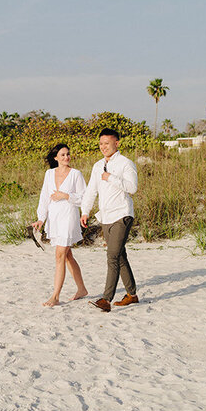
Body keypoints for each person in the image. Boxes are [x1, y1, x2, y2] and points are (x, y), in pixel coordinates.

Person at [80, 128, 139, 312]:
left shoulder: (125, 163)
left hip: (122, 214)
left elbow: (132, 188)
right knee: (119, 255)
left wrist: (111, 177)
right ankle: (132, 294)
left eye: (107, 143)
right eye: (101, 144)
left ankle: (106, 299)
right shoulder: (97, 165)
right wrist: (85, 211)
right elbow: (91, 190)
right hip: (106, 216)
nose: (103, 147)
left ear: (117, 143)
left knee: (112, 256)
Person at [30, 143, 89, 306]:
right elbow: (44, 197)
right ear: (55, 157)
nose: (66, 157)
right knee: (68, 256)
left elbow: (84, 197)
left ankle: (55, 296)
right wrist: (41, 218)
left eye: (68, 154)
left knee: (60, 255)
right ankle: (82, 289)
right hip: (54, 218)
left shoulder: (76, 174)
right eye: (62, 155)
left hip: (69, 216)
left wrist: (65, 195)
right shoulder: (49, 174)